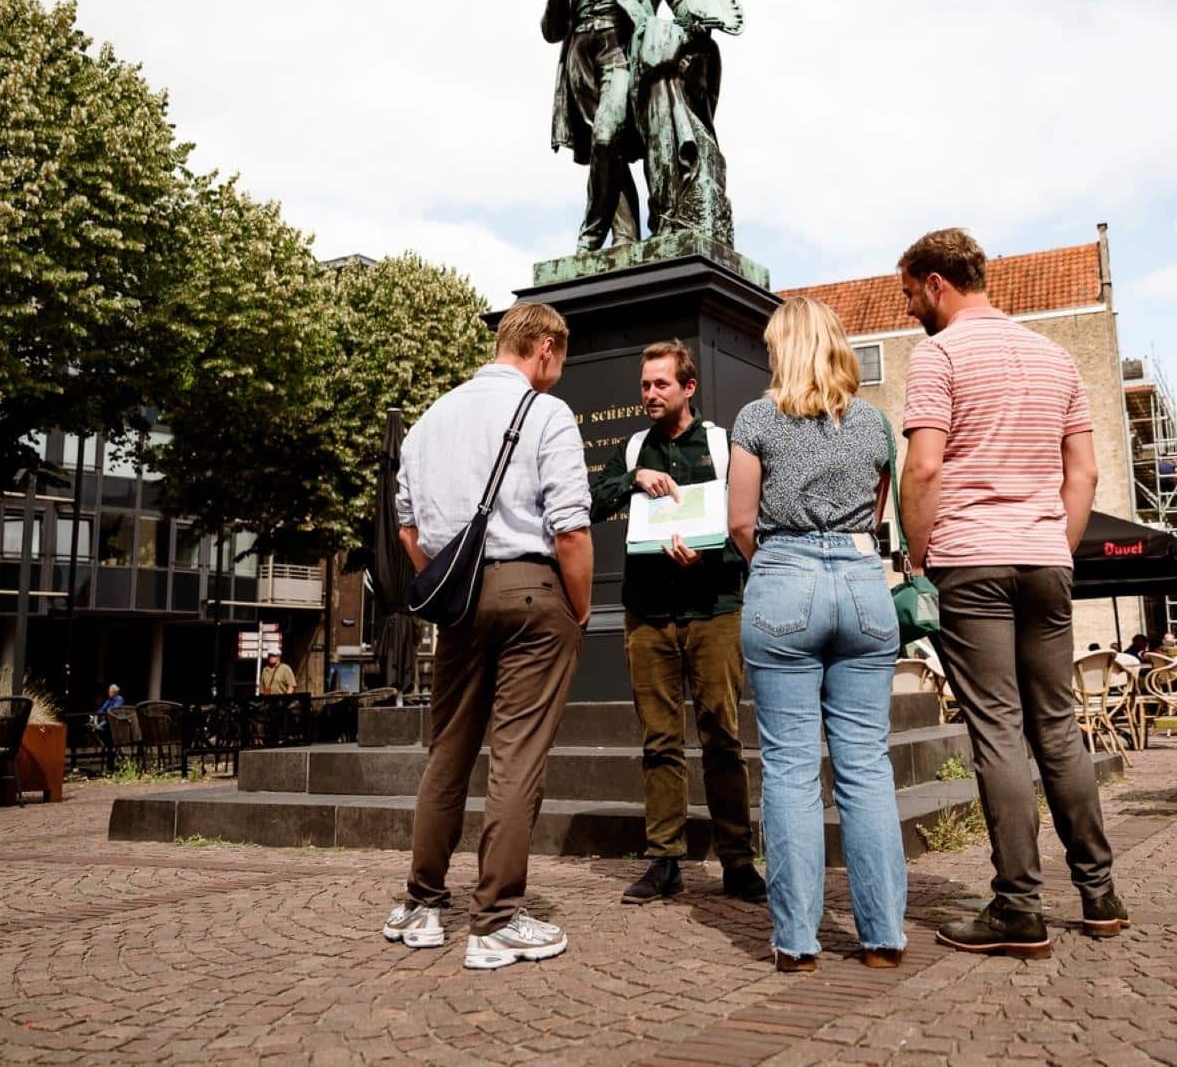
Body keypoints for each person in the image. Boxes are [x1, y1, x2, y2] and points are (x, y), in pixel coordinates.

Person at [895, 228, 1126, 958]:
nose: (909, 310)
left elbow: (924, 468)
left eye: (911, 294)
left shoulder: (938, 355)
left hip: (971, 561)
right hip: (1045, 560)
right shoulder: (1055, 357)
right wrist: (1056, 544)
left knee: (997, 729)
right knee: (1057, 726)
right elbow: (1083, 474)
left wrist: (919, 561)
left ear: (937, 283)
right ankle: (1099, 895)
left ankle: (1019, 907)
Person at [385, 301, 593, 971]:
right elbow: (570, 529)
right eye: (561, 357)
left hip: (459, 599)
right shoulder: (546, 412)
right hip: (532, 591)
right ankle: (496, 919)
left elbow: (409, 531)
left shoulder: (430, 420)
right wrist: (580, 608)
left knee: (447, 752)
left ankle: (421, 903)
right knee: (516, 757)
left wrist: (452, 582)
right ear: (545, 347)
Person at [727, 296, 906, 973]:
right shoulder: (874, 423)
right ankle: (883, 937)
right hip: (863, 584)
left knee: (791, 769)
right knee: (866, 767)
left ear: (785, 348)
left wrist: (778, 566)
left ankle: (798, 943)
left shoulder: (757, 418)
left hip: (784, 575)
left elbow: (740, 520)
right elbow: (878, 515)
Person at [589, 340, 763, 906]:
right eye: (645, 385)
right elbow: (592, 501)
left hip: (714, 608)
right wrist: (634, 478)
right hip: (648, 613)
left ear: (689, 387)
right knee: (658, 741)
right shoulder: (633, 448)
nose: (650, 393)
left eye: (661, 384)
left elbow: (747, 524)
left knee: (722, 738)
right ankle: (664, 859)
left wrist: (707, 557)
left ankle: (738, 861)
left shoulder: (721, 444)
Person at [542, 0, 732, 251]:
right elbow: (551, 31)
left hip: (623, 55)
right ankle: (624, 235)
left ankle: (591, 233)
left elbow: (683, 4)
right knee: (605, 151)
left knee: (605, 136)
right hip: (581, 67)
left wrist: (700, 24)